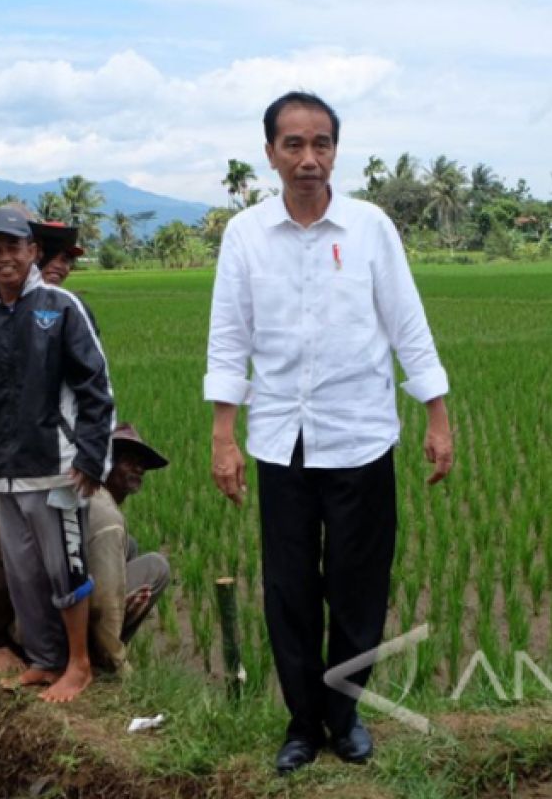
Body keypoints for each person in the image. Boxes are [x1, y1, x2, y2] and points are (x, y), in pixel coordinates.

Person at [204, 91, 453, 774]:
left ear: (335, 150)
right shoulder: (245, 235)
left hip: (361, 436)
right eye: (294, 145)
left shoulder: (370, 229)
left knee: (357, 585)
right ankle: (301, 722)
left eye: (321, 144)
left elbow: (408, 323)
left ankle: (344, 716)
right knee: (288, 589)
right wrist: (224, 436)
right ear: (271, 153)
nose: (308, 158)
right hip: (281, 441)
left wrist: (437, 414)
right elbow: (229, 339)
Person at [0, 206, 115, 702]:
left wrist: (92, 458)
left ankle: (79, 665)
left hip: (57, 467)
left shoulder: (60, 305)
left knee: (65, 569)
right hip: (6, 471)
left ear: (32, 252)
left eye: (15, 247)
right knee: (24, 575)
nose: (5, 257)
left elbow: (96, 386)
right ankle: (47, 661)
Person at [0, 207, 86, 674]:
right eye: (56, 255)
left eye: (65, 256)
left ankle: (43, 651)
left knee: (35, 561)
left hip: (33, 455)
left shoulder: (54, 309)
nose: (61, 265)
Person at [86, 422, 172, 676]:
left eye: (142, 465)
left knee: (130, 546)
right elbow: (106, 599)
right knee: (157, 567)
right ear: (106, 464)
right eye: (129, 461)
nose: (139, 469)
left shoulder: (90, 494)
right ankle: (100, 660)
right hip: (61, 627)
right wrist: (119, 664)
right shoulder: (107, 517)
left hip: (47, 621)